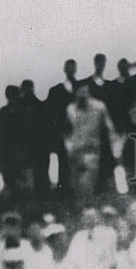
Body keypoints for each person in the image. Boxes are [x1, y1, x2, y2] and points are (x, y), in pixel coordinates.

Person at [66, 84, 119, 202]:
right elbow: (68, 130)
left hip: (91, 149)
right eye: (79, 95)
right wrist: (68, 147)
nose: (82, 97)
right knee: (76, 182)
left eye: (85, 94)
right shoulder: (70, 109)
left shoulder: (99, 107)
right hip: (75, 149)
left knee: (88, 180)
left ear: (89, 94)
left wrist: (115, 146)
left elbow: (109, 127)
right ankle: (80, 206)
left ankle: (88, 205)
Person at [46, 59, 79, 192]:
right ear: (65, 70)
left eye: (73, 68)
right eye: (68, 68)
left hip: (79, 130)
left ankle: (76, 187)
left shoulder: (81, 88)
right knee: (63, 159)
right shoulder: (56, 90)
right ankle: (64, 187)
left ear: (75, 70)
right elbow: (51, 112)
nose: (70, 70)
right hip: (62, 132)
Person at [0, 85, 30, 192]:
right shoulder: (2, 117)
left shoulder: (23, 115)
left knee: (22, 191)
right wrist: (0, 163)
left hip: (20, 160)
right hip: (10, 161)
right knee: (14, 191)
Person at [20, 79, 50, 195]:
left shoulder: (20, 106)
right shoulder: (40, 105)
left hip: (29, 147)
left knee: (31, 176)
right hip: (41, 147)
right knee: (41, 175)